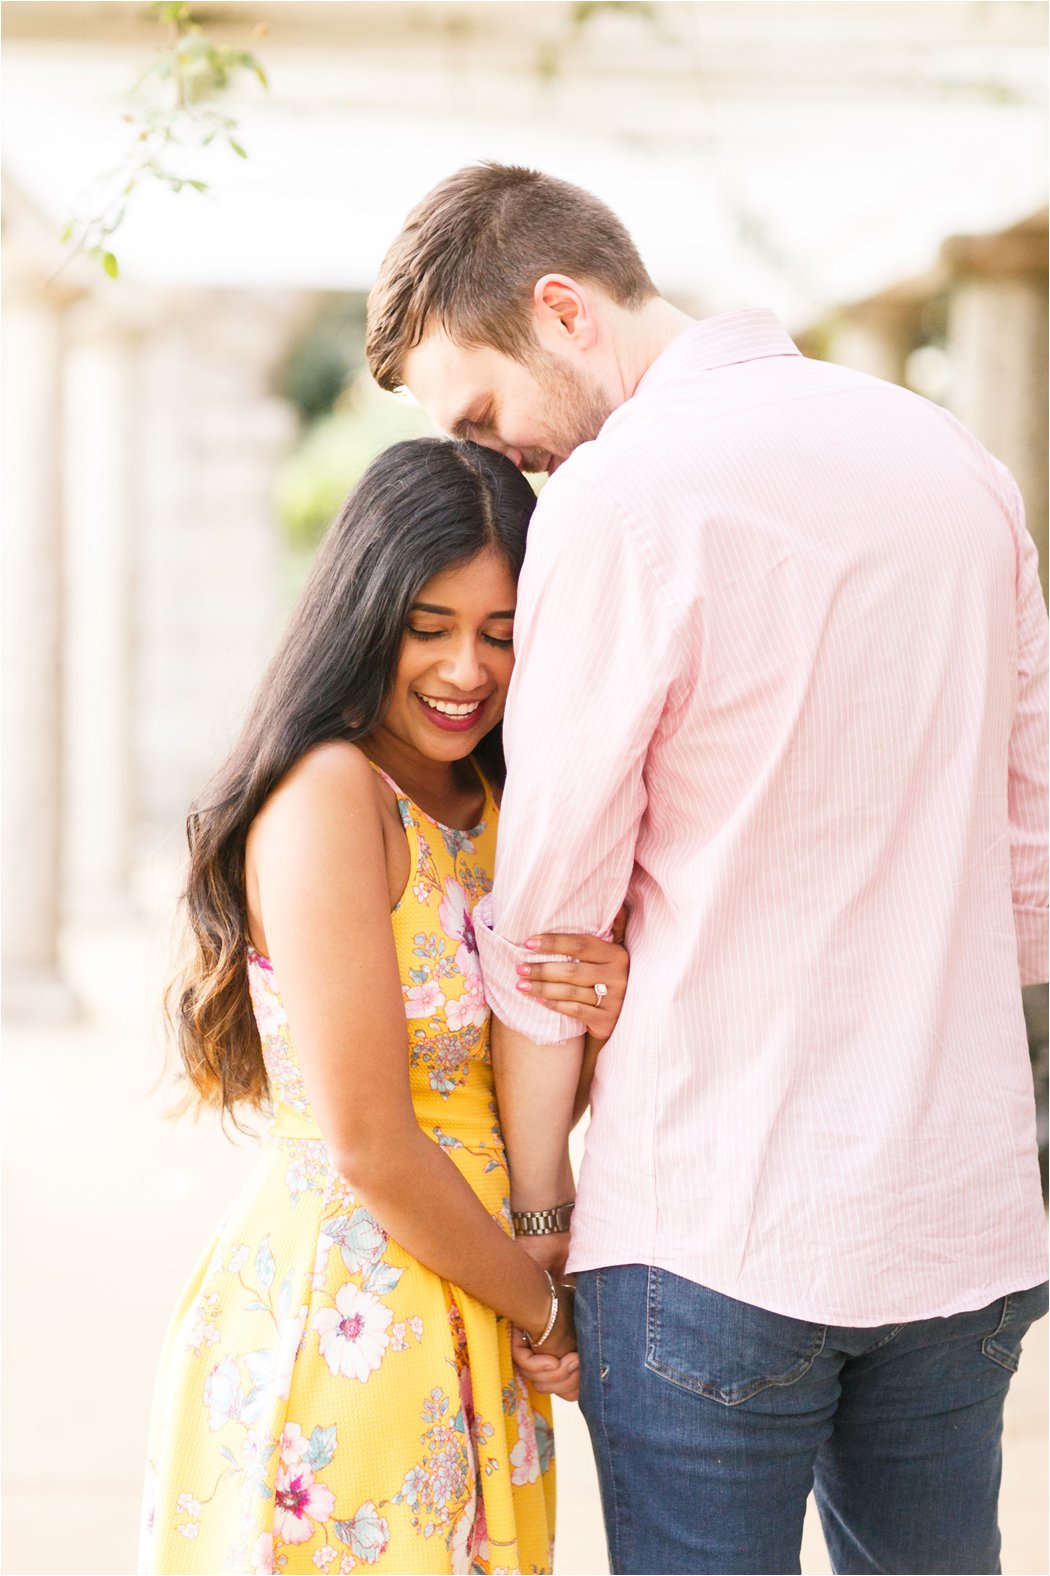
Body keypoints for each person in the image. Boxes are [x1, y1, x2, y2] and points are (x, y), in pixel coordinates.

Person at [365, 163, 1050, 1576]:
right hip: (957, 1219)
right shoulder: (951, 459)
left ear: (562, 309)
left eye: (483, 415)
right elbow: (1030, 864)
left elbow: (548, 923)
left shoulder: (618, 497)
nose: (498, 463)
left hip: (709, 1227)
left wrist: (543, 1209)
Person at [139, 437, 631, 1576]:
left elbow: (527, 1099)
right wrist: (550, 1319)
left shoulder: (512, 805)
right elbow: (369, 1140)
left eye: (502, 634)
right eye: (430, 627)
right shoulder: (328, 795)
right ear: (367, 615)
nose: (468, 668)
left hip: (481, 1306)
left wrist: (601, 1008)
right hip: (348, 1313)